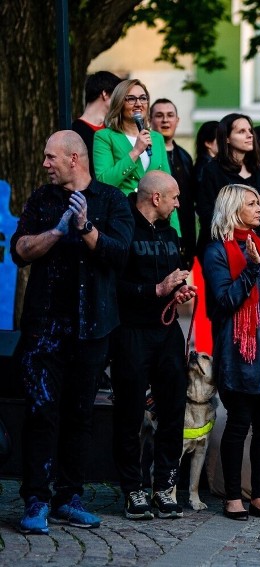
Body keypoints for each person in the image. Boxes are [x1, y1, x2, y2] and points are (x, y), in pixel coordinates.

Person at [13, 130, 133, 534]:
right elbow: (20, 250)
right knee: (41, 413)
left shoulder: (112, 200)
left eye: (51, 157)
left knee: (81, 414)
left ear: (74, 159)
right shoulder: (41, 200)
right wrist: (58, 230)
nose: (45, 164)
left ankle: (69, 497)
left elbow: (120, 255)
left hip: (93, 327)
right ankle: (35, 500)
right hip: (45, 327)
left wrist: (85, 228)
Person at [202, 184, 260, 522]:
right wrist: (253, 267)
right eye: (251, 203)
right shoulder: (217, 251)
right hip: (239, 349)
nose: (259, 208)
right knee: (239, 423)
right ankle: (233, 497)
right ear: (233, 208)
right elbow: (224, 301)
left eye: (258, 203)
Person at [111, 170, 197, 520]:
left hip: (166, 332)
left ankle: (164, 486)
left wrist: (179, 291)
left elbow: (170, 281)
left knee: (173, 411)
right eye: (174, 197)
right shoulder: (123, 228)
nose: (179, 203)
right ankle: (133, 490)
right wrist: (155, 291)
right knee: (130, 414)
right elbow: (113, 287)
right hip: (131, 332)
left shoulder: (170, 231)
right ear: (156, 198)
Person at [196, 113, 260, 260]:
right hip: (222, 249)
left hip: (254, 245)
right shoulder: (212, 170)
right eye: (241, 131)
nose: (250, 135)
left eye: (250, 131)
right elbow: (206, 214)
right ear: (227, 138)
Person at [92, 79, 171, 198]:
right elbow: (104, 182)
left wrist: (172, 216)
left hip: (155, 214)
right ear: (119, 103)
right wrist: (135, 152)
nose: (138, 104)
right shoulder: (104, 137)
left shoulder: (157, 138)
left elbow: (168, 187)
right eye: (132, 99)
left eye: (143, 98)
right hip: (124, 211)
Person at [150, 98, 197, 264]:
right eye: (159, 115)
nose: (165, 120)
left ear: (177, 120)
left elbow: (189, 203)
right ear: (149, 120)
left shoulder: (185, 157)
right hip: (156, 237)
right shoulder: (146, 156)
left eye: (170, 115)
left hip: (184, 237)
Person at [71, 70, 122, 176]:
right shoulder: (75, 132)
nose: (121, 101)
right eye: (118, 95)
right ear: (105, 94)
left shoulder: (111, 130)